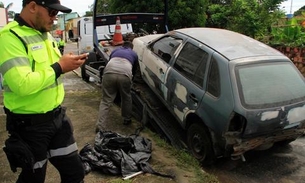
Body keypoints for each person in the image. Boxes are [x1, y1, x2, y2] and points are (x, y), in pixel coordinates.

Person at [0, 0, 88, 182]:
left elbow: (49, 69)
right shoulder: (10, 37)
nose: (54, 18)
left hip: (57, 118)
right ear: (32, 7)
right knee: (34, 177)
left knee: (75, 172)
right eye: (51, 12)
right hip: (30, 126)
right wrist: (59, 67)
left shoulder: (45, 35)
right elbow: (21, 84)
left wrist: (67, 62)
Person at [96, 41, 138, 132]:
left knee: (106, 101)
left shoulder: (115, 51)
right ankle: (127, 119)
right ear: (131, 48)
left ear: (123, 46)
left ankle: (100, 126)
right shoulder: (133, 54)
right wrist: (132, 81)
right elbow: (134, 70)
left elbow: (108, 61)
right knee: (126, 97)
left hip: (109, 74)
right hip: (125, 75)